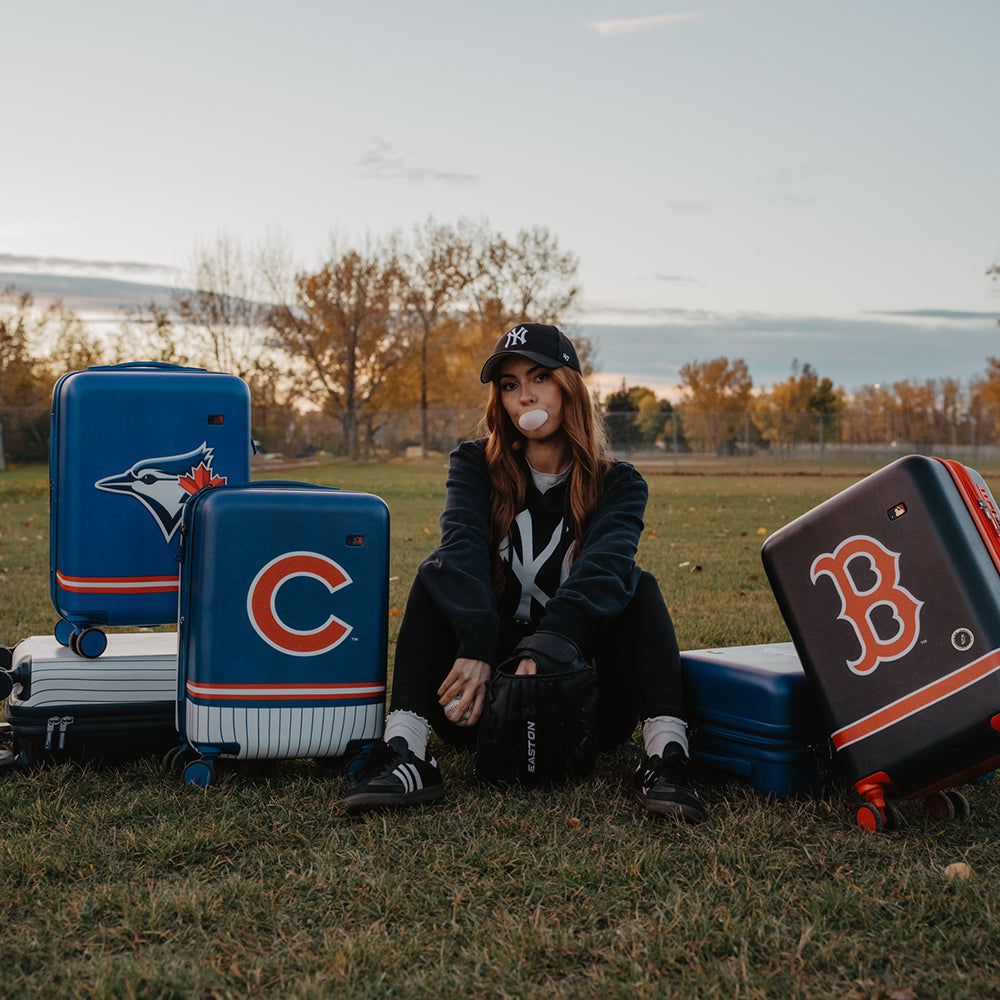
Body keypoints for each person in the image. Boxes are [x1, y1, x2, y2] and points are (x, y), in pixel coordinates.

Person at [342, 323, 705, 822]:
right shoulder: (473, 465)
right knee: (437, 572)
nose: (524, 395)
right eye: (510, 385)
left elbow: (604, 567)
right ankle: (405, 750)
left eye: (538, 378)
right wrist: (477, 646)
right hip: (482, 694)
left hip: (582, 699)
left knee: (636, 585)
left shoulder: (618, 482)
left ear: (568, 387)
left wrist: (547, 647)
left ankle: (666, 756)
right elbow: (463, 544)